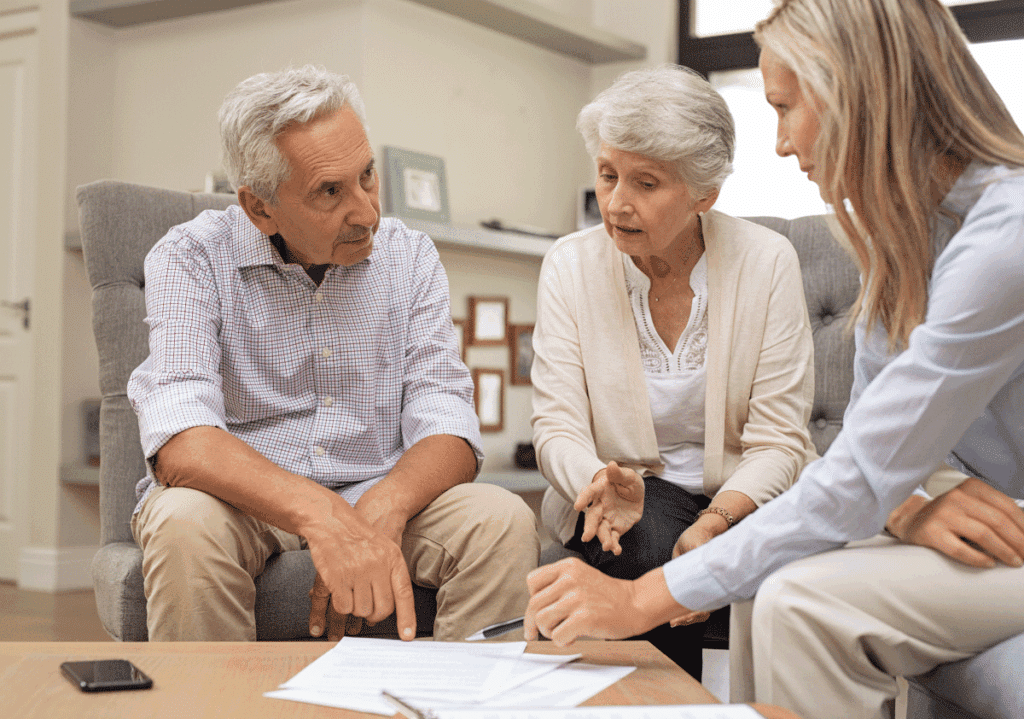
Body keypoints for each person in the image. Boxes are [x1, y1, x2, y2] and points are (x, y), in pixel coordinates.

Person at [525, 1, 1024, 717]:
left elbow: (850, 474)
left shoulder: (1006, 233)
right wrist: (911, 504)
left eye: (786, 108)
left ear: (854, 93)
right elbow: (865, 448)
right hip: (996, 518)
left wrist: (641, 598)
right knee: (773, 588)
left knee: (795, 602)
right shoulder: (903, 242)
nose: (783, 143)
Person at [127, 65, 539, 642]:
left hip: (377, 487)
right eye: (330, 192)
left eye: (367, 175)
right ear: (259, 208)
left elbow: (449, 425)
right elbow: (181, 438)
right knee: (182, 523)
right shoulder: (190, 257)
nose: (367, 211)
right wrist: (322, 518)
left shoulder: (411, 257)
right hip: (239, 504)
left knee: (501, 521)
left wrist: (382, 509)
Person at [530, 64, 817, 681]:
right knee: (641, 532)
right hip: (613, 501)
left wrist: (717, 520)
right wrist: (599, 483)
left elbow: (779, 442)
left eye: (647, 183)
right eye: (608, 176)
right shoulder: (569, 266)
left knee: (658, 542)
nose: (616, 203)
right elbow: (556, 425)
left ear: (703, 193)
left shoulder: (767, 263)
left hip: (742, 500)